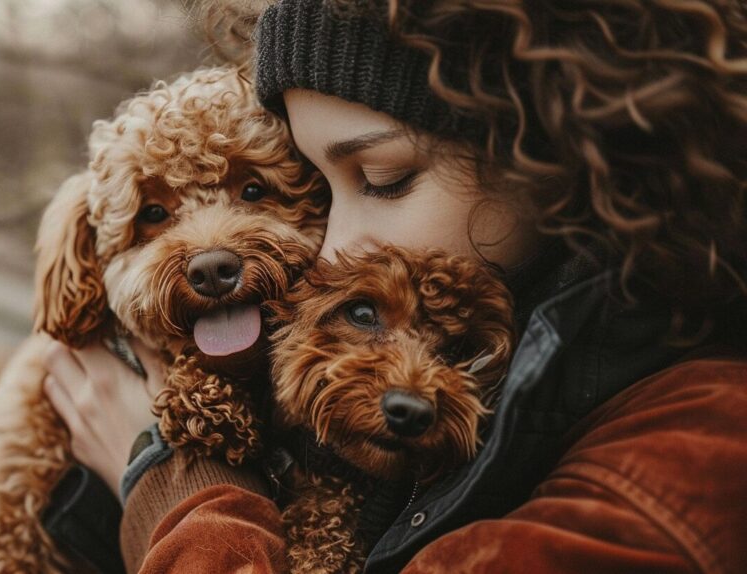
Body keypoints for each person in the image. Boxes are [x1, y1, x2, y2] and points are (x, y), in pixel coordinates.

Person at [41, 0, 747, 571]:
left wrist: (169, 483)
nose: (330, 247)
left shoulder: (691, 448)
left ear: (558, 150)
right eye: (312, 189)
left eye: (384, 179)